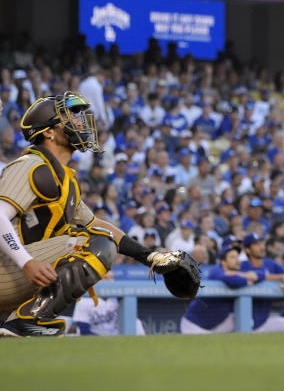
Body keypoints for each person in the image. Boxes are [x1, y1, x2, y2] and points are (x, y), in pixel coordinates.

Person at [0, 92, 192, 337]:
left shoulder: (64, 177)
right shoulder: (30, 164)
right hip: (12, 268)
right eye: (70, 116)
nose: (80, 121)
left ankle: (16, 322)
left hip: (15, 273)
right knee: (97, 243)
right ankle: (29, 318)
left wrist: (150, 257)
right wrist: (26, 262)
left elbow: (95, 223)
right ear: (48, 132)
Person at [180, 244, 259, 334]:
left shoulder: (239, 271)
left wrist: (244, 275)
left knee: (246, 319)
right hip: (194, 325)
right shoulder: (216, 270)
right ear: (223, 262)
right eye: (233, 257)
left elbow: (259, 275)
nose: (237, 260)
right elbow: (232, 281)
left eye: (237, 256)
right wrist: (247, 280)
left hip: (216, 325)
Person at [239, 233, 284, 332]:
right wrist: (281, 277)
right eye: (256, 244)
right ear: (247, 250)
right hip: (245, 317)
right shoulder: (243, 265)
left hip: (264, 319)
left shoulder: (270, 263)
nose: (261, 247)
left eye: (261, 243)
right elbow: (256, 276)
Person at [72, 271, 146, 336]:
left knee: (137, 322)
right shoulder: (84, 300)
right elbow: (84, 331)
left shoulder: (119, 299)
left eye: (111, 278)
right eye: (105, 278)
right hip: (93, 341)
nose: (110, 281)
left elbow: (130, 322)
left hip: (116, 340)